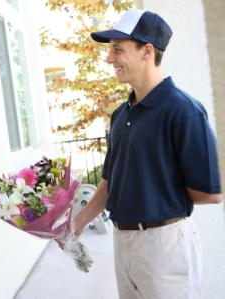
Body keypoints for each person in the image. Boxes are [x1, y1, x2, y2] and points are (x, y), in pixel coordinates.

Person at [72, 9, 223, 299]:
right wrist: (78, 221)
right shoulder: (120, 115)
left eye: (118, 49)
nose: (109, 58)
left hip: (164, 244)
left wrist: (156, 193)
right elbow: (110, 179)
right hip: (123, 241)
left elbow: (212, 192)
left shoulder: (183, 110)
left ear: (147, 51)